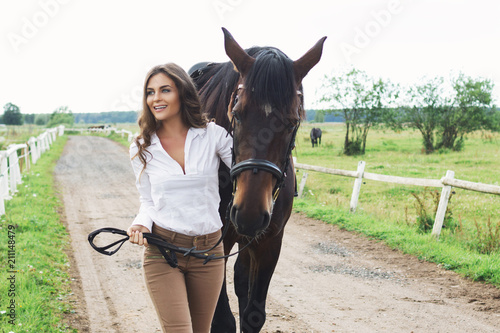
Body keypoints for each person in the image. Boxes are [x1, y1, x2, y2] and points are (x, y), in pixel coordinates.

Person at [127, 63, 232, 332]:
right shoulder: (142, 147)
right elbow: (148, 201)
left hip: (209, 252)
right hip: (163, 252)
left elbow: (248, 170)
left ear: (182, 92)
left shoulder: (214, 136)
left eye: (165, 90)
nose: (156, 98)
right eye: (150, 92)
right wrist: (142, 223)